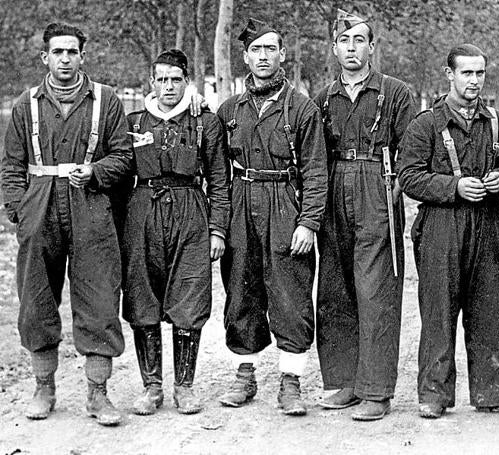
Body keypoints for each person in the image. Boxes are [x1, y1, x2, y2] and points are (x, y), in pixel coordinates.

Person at [1, 23, 132, 426]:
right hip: (40, 204)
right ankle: (44, 386)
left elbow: (124, 157)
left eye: (72, 52)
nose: (64, 59)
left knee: (99, 297)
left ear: (82, 56)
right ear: (45, 57)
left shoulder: (105, 101)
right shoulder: (26, 104)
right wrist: (18, 211)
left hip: (90, 206)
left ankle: (98, 393)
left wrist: (95, 172)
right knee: (37, 298)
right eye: (57, 52)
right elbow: (11, 164)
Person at [398, 44, 499, 420]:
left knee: (490, 306)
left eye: (480, 74)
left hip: (487, 223)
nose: (474, 81)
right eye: (466, 73)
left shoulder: (495, 122)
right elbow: (409, 176)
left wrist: (498, 179)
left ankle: (497, 392)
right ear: (449, 75)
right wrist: (452, 187)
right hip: (441, 223)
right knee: (438, 309)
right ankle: (434, 395)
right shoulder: (426, 123)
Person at [216, 18, 327, 416]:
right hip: (241, 200)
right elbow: (215, 169)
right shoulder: (229, 109)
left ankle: (290, 383)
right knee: (241, 291)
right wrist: (219, 224)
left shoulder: (301, 108)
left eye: (270, 50)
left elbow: (315, 169)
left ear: (282, 55)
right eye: (255, 50)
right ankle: (244, 376)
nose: (263, 57)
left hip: (285, 201)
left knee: (290, 292)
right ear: (245, 57)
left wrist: (308, 221)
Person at [313, 9, 415, 421]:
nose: (352, 48)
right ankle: (346, 383)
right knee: (336, 287)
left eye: (360, 40)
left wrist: (394, 189)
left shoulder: (394, 92)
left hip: (377, 181)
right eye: (345, 41)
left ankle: (377, 390)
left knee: (376, 290)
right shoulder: (323, 98)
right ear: (335, 48)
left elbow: (411, 150)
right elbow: (314, 153)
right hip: (336, 182)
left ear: (372, 47)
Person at [118, 49, 230, 416]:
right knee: (142, 294)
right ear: (152, 82)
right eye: (161, 79)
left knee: (189, 293)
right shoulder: (134, 122)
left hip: (190, 209)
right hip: (143, 209)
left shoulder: (204, 122)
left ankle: (185, 386)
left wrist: (217, 230)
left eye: (176, 79)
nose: (168, 86)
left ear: (187, 82)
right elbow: (120, 177)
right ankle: (152, 387)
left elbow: (218, 179)